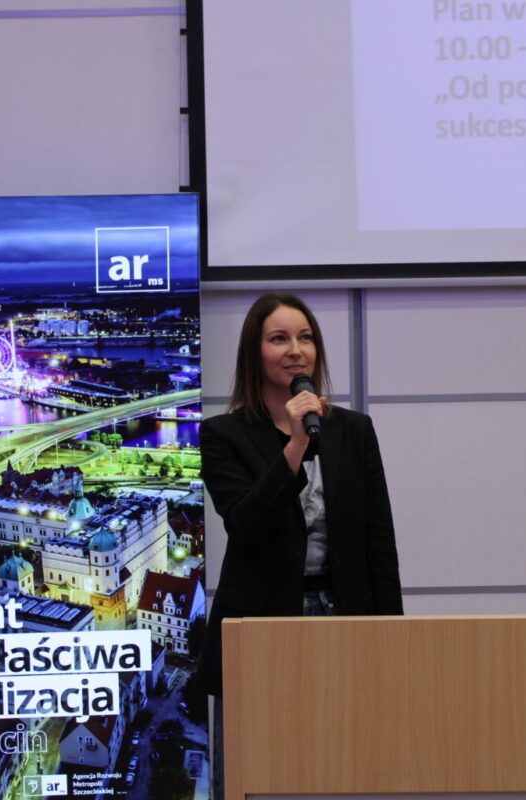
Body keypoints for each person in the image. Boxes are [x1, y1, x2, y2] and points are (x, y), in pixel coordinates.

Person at [197, 292, 403, 797]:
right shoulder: (223, 435)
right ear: (254, 352)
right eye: (279, 338)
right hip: (261, 623)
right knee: (262, 767)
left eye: (305, 338)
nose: (296, 350)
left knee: (348, 761)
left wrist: (394, 638)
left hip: (345, 614)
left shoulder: (354, 430)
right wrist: (294, 444)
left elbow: (379, 541)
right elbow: (246, 527)